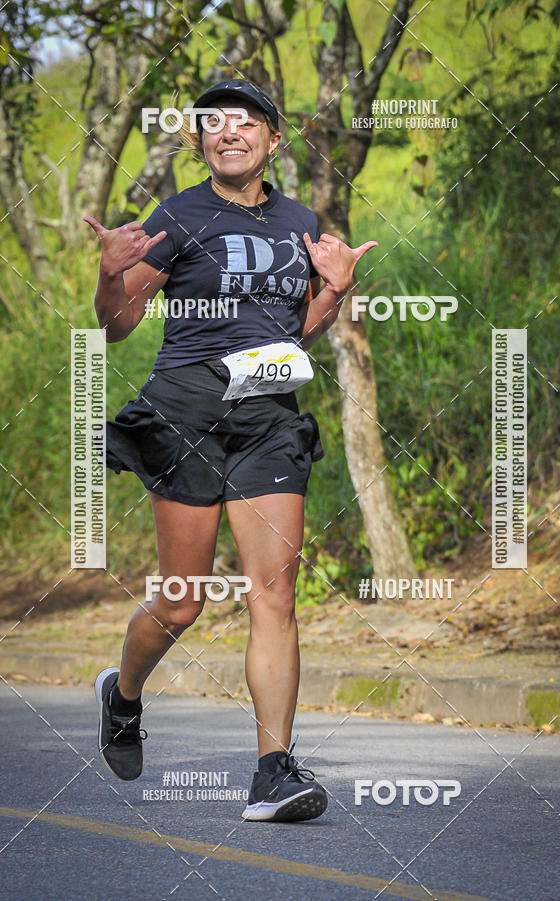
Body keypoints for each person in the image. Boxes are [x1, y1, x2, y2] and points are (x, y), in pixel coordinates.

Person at [84, 78, 377, 823]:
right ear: (203, 142)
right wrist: (109, 275)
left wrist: (334, 293)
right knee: (181, 603)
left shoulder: (299, 221)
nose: (229, 132)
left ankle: (273, 772)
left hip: (268, 413)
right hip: (185, 409)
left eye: (245, 122)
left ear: (273, 139)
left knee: (274, 593)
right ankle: (122, 695)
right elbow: (118, 325)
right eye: (214, 124)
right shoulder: (178, 214)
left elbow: (297, 334)